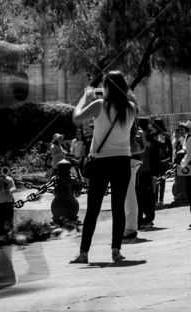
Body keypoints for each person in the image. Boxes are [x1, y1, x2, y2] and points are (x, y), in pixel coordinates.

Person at [70, 71, 137, 264]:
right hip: (123, 160)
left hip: (101, 161)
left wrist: (85, 97)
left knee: (93, 208)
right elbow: (128, 96)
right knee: (118, 207)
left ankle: (84, 252)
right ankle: (116, 251)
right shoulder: (131, 108)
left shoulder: (99, 105)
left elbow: (76, 118)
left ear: (106, 87)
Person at [124, 120, 146, 240]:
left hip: (127, 161)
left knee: (128, 195)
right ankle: (129, 226)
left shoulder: (125, 129)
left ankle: (130, 227)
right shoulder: (137, 131)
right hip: (134, 161)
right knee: (128, 194)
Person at [136, 117, 156, 230]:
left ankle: (145, 219)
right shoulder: (150, 137)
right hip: (144, 170)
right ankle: (145, 218)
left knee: (141, 196)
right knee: (146, 196)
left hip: (142, 170)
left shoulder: (145, 137)